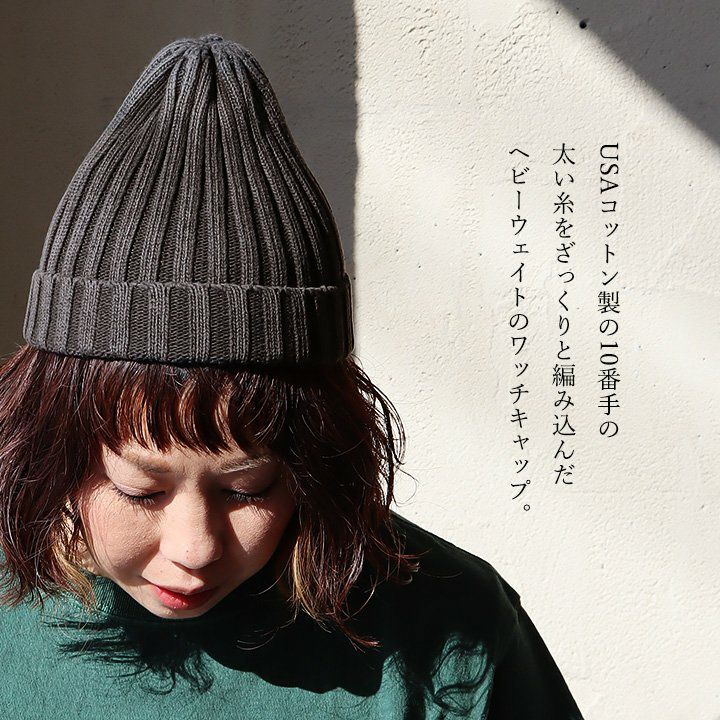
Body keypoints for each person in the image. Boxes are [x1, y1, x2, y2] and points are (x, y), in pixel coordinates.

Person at [0, 34, 585, 719]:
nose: (195, 548)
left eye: (248, 488)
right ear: (51, 447)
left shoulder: (450, 633)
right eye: (141, 490)